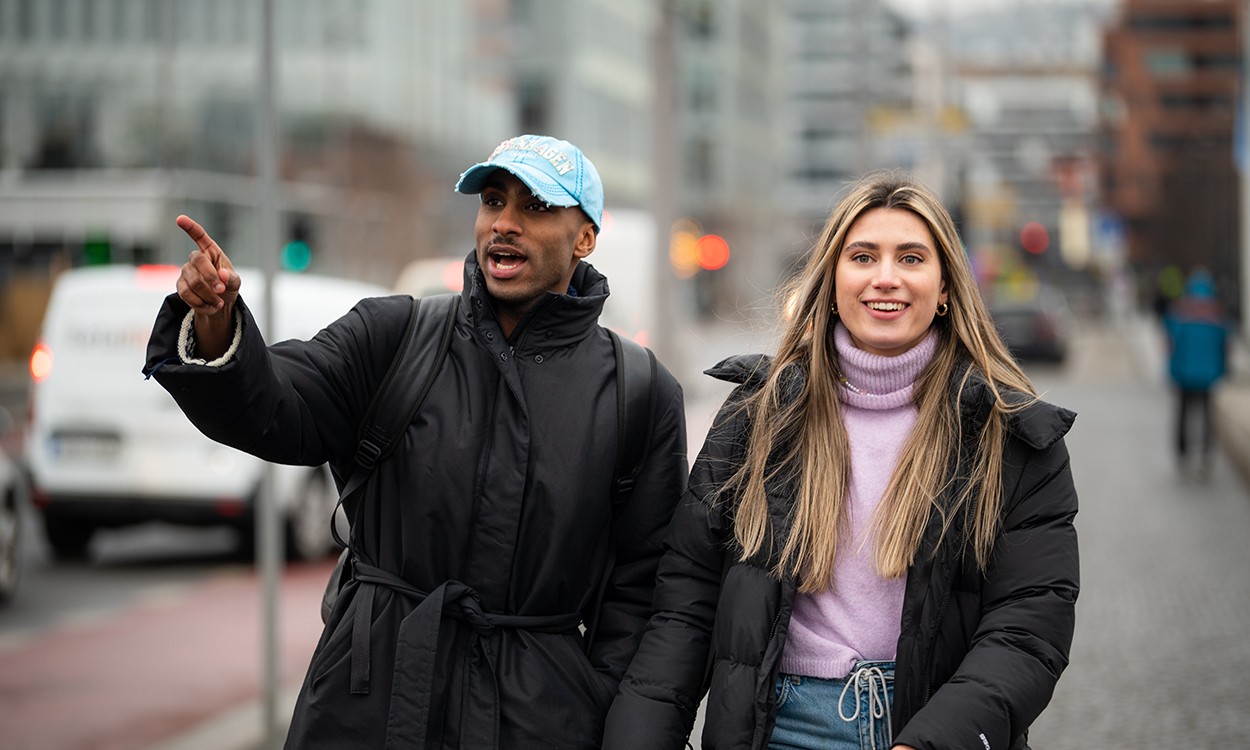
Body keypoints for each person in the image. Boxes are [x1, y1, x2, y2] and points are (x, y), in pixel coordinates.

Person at [142, 134, 688, 748]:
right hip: (366, 707)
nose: (503, 224)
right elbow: (275, 405)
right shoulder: (393, 336)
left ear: (585, 237)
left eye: (534, 207)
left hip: (539, 721)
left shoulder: (636, 392)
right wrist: (216, 325)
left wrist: (591, 706)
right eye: (491, 201)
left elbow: (646, 595)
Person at [604, 171, 1079, 750]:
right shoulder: (758, 415)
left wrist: (928, 743)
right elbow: (686, 605)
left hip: (931, 728)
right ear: (831, 282)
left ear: (947, 287)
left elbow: (1027, 628)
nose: (886, 278)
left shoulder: (1012, 436)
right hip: (778, 729)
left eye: (911, 258)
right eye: (862, 256)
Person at [1163, 267, 1229, 480]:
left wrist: (1172, 369)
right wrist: (1222, 369)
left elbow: (1172, 343)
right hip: (1208, 375)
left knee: (1183, 414)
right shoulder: (1216, 314)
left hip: (1184, 375)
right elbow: (1223, 345)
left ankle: (1183, 454)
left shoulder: (1181, 312)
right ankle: (1205, 455)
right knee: (1207, 416)